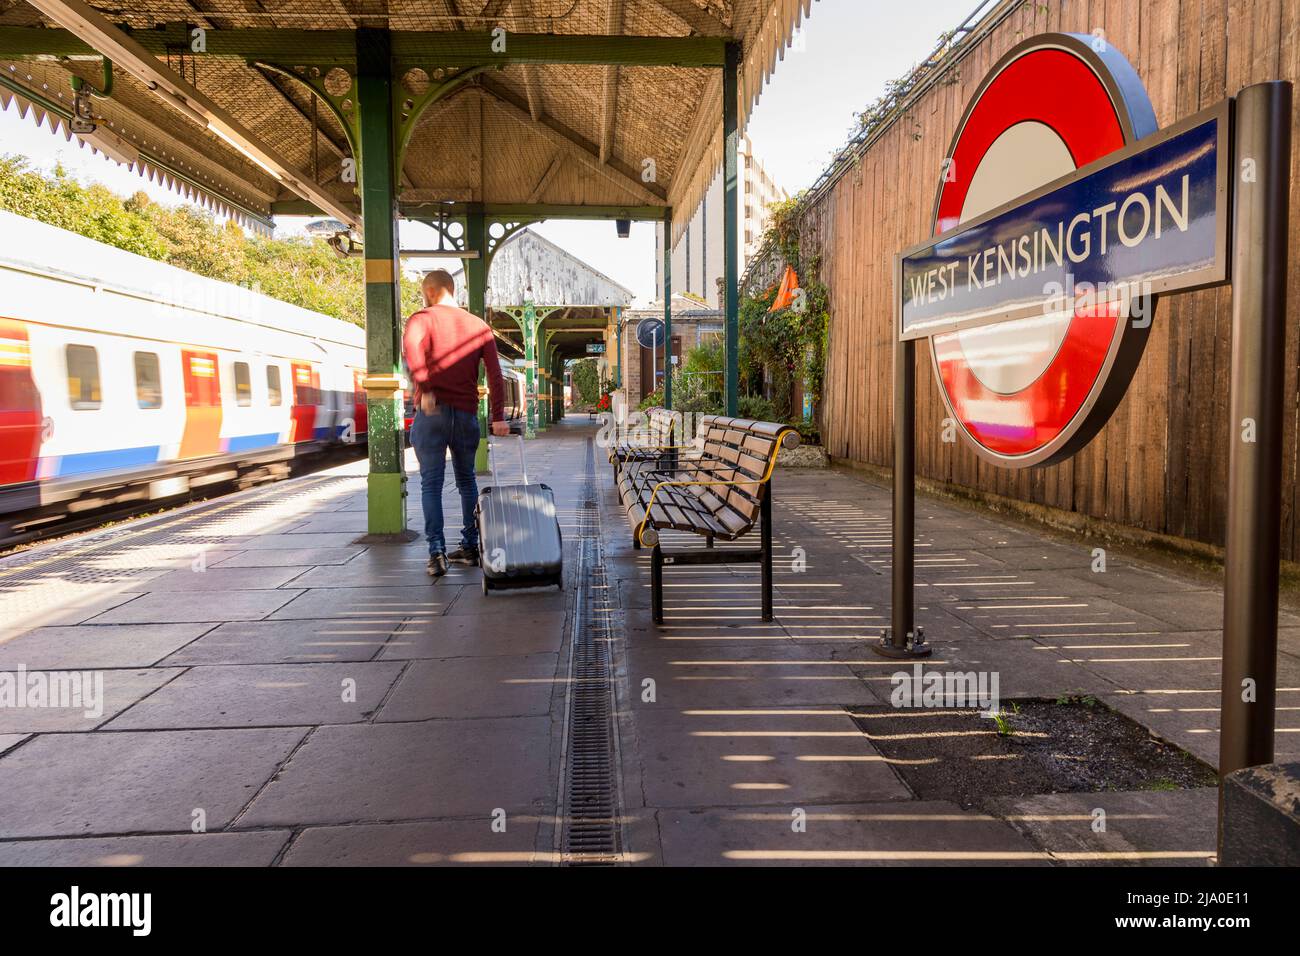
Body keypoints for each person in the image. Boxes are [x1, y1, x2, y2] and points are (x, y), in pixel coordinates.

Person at [402, 269, 510, 577]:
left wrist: (425, 388)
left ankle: (436, 553)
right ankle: (470, 546)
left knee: (431, 484)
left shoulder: (421, 319)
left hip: (431, 412)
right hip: (465, 415)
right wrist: (498, 416)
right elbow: (495, 374)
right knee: (467, 482)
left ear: (431, 291)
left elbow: (412, 354)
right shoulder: (478, 325)